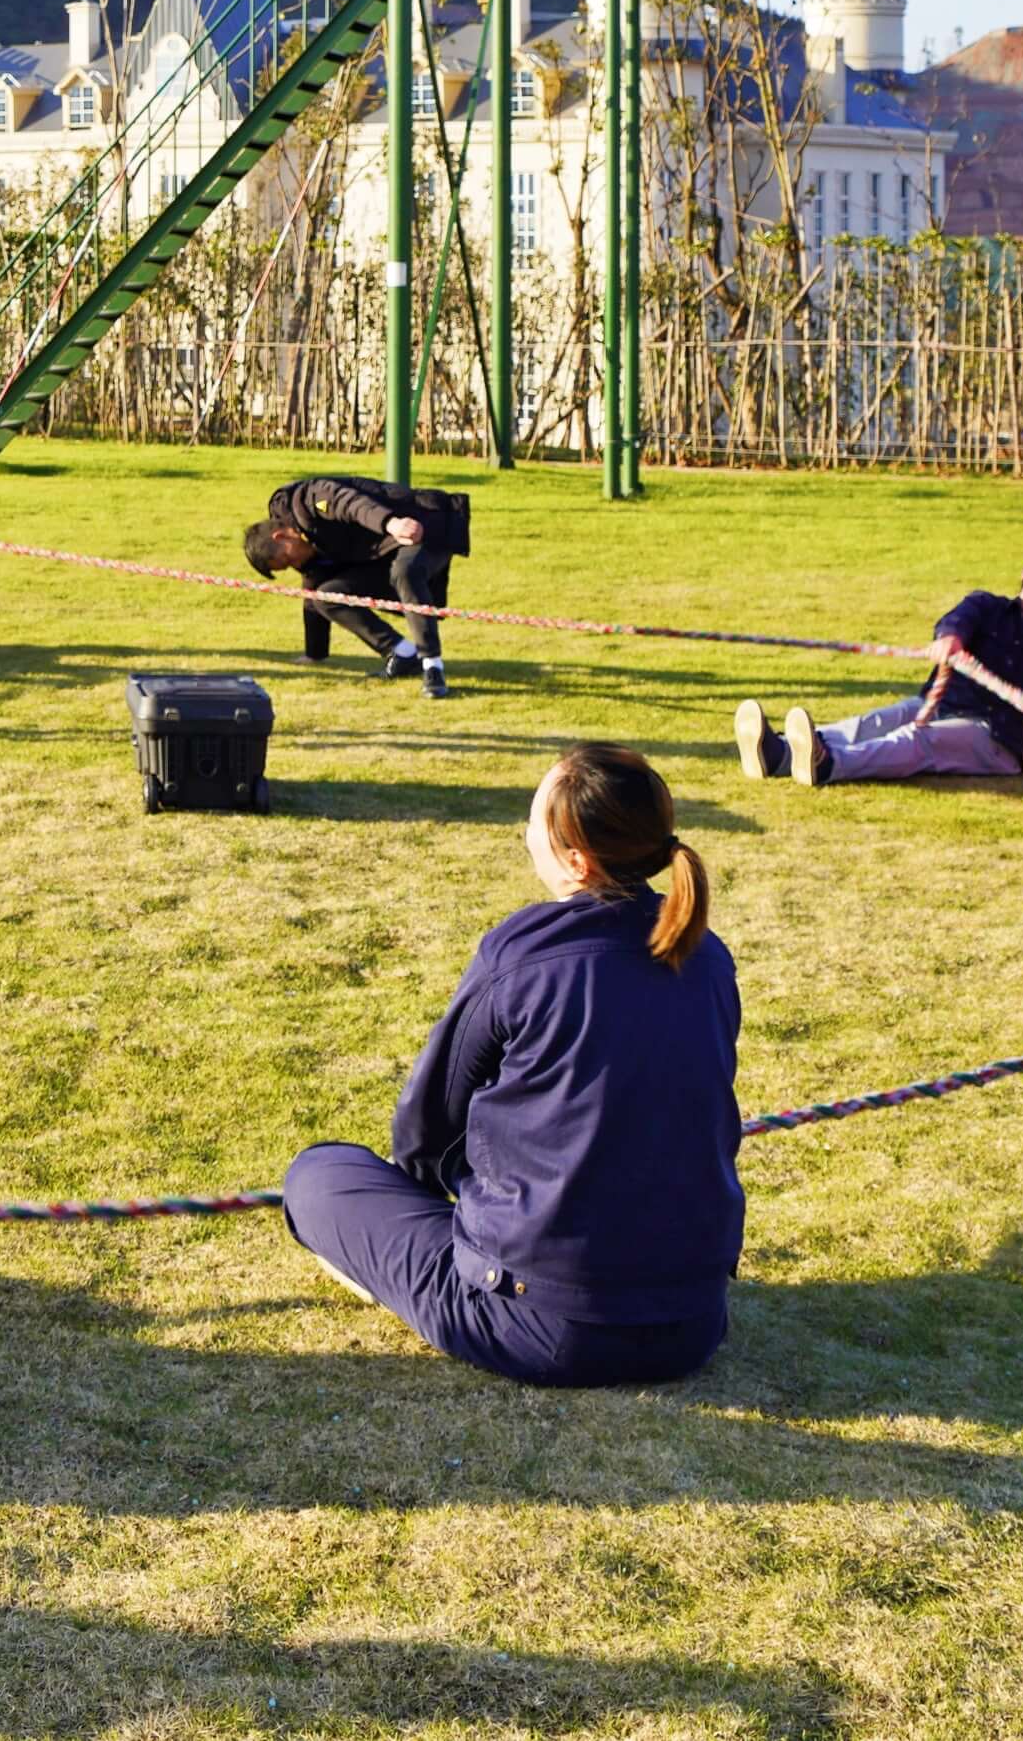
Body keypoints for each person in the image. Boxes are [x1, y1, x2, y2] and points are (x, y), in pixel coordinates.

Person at [280, 743, 741, 1387]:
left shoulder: (522, 954)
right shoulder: (709, 956)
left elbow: (426, 1128)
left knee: (319, 1176)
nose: (524, 834)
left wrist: (430, 1190)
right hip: (693, 1321)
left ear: (577, 860)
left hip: (534, 1323)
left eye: (532, 821)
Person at [734, 548, 1023, 785]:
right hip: (941, 703)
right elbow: (956, 621)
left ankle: (829, 765)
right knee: (874, 722)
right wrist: (950, 639)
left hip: (998, 736)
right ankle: (779, 753)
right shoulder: (986, 605)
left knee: (917, 741)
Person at [242, 473, 471, 696]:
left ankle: (432, 666)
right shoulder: (304, 542)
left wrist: (391, 523)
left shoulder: (312, 499)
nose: (294, 565)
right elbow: (312, 588)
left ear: (281, 537)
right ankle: (403, 654)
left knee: (405, 571)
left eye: (287, 560)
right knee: (328, 595)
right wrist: (315, 653)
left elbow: (352, 504)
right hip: (388, 546)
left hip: (424, 523)